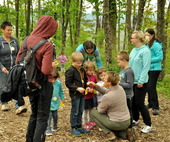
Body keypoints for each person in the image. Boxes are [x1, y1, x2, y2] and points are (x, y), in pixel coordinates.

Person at [16, 15, 58, 142]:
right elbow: (45, 70)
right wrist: (52, 66)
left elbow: (18, 61)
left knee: (34, 114)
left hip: (30, 83)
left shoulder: (26, 40)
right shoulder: (47, 45)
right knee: (43, 117)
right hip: (44, 84)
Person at [88, 71, 131, 141]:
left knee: (93, 113)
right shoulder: (120, 88)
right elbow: (106, 91)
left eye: (105, 78)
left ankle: (109, 133)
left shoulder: (107, 97)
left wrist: (99, 106)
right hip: (127, 121)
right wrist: (96, 86)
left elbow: (100, 111)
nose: (103, 78)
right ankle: (124, 133)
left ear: (109, 83)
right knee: (120, 131)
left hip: (117, 122)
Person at [0, 21, 27, 114]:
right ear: (2, 30)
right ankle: (4, 102)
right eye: (8, 30)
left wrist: (20, 64)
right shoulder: (0, 41)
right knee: (4, 86)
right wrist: (1, 67)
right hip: (3, 67)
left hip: (14, 67)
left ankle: (18, 105)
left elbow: (19, 53)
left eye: (11, 30)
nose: (10, 32)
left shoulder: (14, 41)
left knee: (16, 85)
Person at [129, 31, 152, 133]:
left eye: (132, 38)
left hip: (140, 82)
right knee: (133, 101)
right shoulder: (133, 50)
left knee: (139, 103)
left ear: (138, 39)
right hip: (132, 81)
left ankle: (148, 125)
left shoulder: (145, 51)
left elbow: (145, 67)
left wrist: (141, 81)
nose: (130, 39)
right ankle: (135, 119)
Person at [65, 51, 90, 136]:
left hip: (82, 94)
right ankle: (73, 127)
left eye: (81, 63)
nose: (79, 64)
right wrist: (77, 88)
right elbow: (68, 83)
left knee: (80, 110)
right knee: (75, 111)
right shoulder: (70, 70)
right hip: (75, 94)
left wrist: (87, 86)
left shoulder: (82, 69)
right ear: (73, 61)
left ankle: (79, 126)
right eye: (77, 63)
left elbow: (85, 79)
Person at [116, 51, 134, 141]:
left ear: (124, 60)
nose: (118, 64)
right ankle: (123, 127)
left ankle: (129, 129)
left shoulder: (129, 71)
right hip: (121, 95)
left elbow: (130, 85)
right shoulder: (122, 70)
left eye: (118, 62)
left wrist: (119, 83)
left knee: (128, 112)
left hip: (128, 96)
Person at [145, 29, 163, 115]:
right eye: (145, 35)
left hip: (155, 69)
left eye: (148, 35)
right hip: (148, 69)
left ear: (152, 35)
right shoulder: (146, 44)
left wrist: (149, 60)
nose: (146, 36)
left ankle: (156, 107)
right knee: (148, 87)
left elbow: (160, 57)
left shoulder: (156, 45)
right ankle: (150, 104)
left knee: (151, 87)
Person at [46, 68, 65, 136]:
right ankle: (48, 129)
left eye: (55, 79)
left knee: (55, 116)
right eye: (52, 79)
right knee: (49, 116)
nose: (53, 81)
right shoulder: (47, 83)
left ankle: (55, 126)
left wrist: (63, 98)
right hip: (48, 103)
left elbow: (60, 91)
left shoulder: (58, 83)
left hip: (55, 103)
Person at [82, 61, 97, 130]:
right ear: (86, 70)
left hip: (92, 96)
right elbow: (82, 85)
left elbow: (96, 84)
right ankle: (85, 123)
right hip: (85, 97)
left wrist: (93, 88)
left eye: (93, 70)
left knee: (91, 109)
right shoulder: (84, 77)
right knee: (85, 110)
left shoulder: (94, 77)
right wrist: (87, 89)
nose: (92, 72)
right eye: (90, 70)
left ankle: (91, 121)